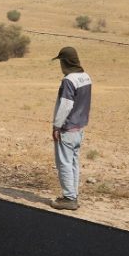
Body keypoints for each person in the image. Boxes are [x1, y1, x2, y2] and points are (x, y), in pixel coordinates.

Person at [50, 46, 92, 210]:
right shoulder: (86, 77)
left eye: (61, 62)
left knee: (64, 164)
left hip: (67, 129)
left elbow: (66, 105)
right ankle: (73, 194)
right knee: (74, 163)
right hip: (79, 128)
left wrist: (56, 126)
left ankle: (69, 198)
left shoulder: (69, 80)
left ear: (65, 62)